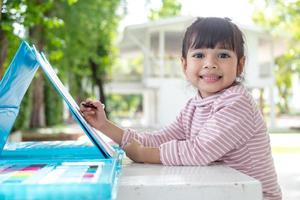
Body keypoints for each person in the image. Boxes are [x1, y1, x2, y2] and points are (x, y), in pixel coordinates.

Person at [80, 17, 282, 200]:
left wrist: (142, 154)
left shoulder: (237, 103)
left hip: (256, 195)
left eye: (222, 55)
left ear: (240, 65)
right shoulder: (194, 107)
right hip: (225, 191)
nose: (210, 64)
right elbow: (156, 140)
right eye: (199, 54)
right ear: (184, 65)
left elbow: (199, 151)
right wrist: (105, 125)